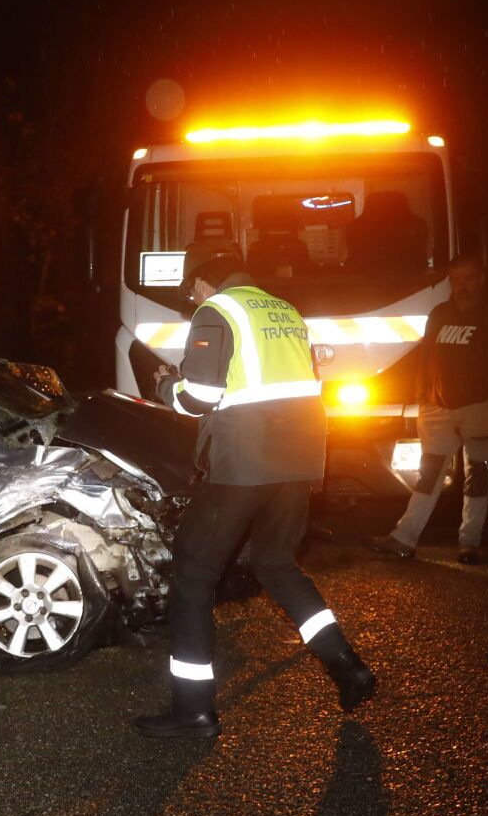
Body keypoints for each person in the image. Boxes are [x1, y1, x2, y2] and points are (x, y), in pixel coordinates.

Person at [136, 238, 377, 737]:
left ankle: (192, 711)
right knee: (276, 565)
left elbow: (199, 397)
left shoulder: (215, 310)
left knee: (193, 574)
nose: (192, 297)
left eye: (192, 289)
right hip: (301, 463)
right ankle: (347, 666)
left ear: (203, 281)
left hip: (243, 465)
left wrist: (164, 385)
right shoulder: (284, 310)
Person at [366, 254, 488, 562]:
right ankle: (404, 538)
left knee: (478, 477)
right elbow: (425, 358)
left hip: (481, 408)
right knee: (429, 474)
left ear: (482, 279)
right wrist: (423, 396)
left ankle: (469, 543)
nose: (462, 286)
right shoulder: (439, 314)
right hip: (438, 410)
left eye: (469, 279)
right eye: (456, 279)